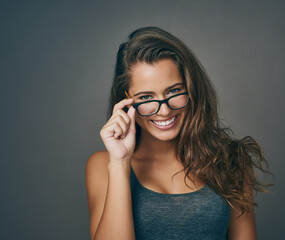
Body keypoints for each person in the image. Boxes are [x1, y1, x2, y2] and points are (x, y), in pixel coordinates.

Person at [85, 26, 272, 240]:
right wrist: (119, 163)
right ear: (125, 100)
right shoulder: (102, 166)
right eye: (146, 97)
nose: (164, 110)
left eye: (174, 91)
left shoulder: (231, 162)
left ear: (192, 89)